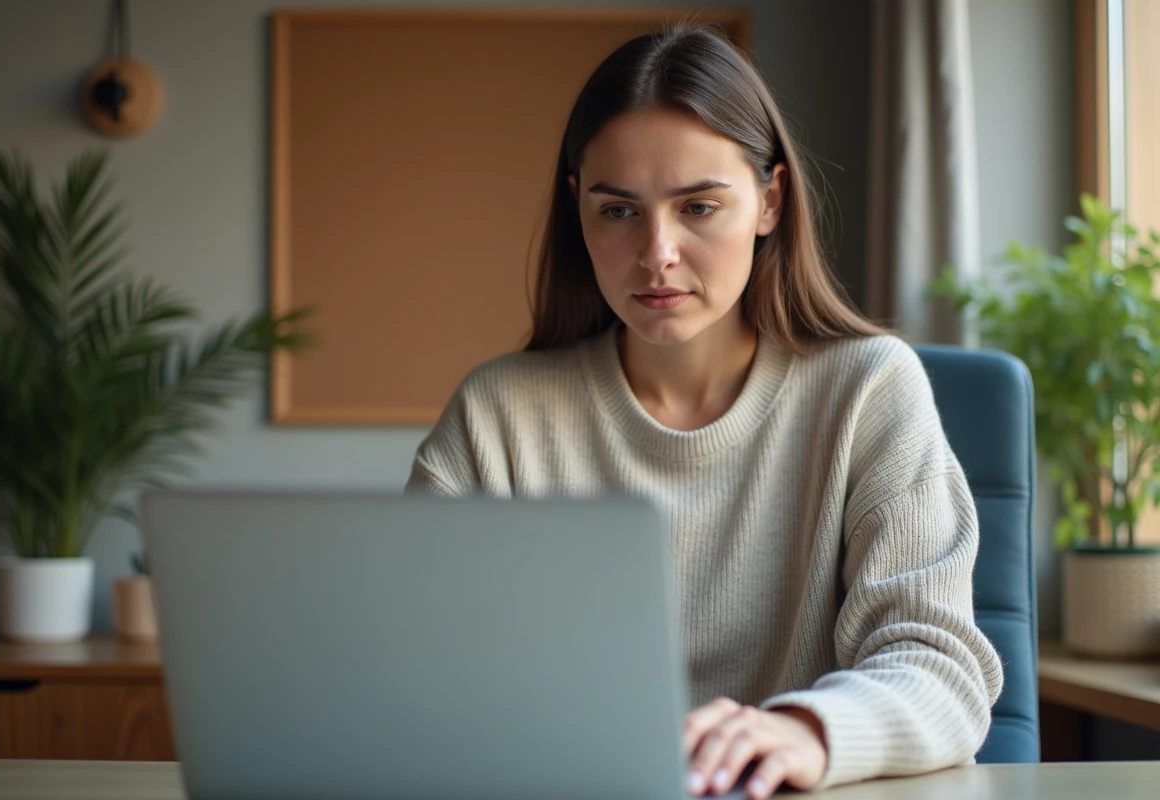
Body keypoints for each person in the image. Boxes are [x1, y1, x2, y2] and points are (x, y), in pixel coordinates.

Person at [405, 23, 1004, 800]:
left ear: (769, 200)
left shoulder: (867, 390)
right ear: (576, 209)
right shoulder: (499, 415)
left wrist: (804, 731)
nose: (657, 252)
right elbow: (414, 665)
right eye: (618, 211)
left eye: (698, 207)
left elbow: (941, 668)